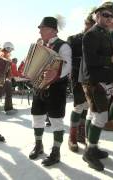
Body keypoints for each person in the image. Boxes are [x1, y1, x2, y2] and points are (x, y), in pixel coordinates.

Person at [79, 1, 113, 171]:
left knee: (93, 115)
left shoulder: (106, 33)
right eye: (105, 14)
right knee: (101, 117)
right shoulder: (91, 34)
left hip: (102, 81)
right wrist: (111, 59)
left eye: (111, 15)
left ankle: (93, 147)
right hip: (94, 81)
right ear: (97, 15)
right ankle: (89, 152)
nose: (109, 18)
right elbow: (90, 61)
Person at [28, 16, 72, 166]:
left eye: (43, 28)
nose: (40, 31)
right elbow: (31, 62)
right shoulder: (39, 44)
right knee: (37, 117)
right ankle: (38, 145)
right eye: (40, 29)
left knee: (56, 120)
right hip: (38, 87)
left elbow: (68, 66)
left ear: (53, 30)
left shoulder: (63, 46)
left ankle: (56, 151)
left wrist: (56, 74)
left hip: (56, 89)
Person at [66, 10, 96, 152]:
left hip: (91, 77)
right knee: (78, 105)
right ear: (85, 23)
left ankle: (81, 132)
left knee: (87, 105)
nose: (90, 27)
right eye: (89, 24)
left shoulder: (96, 39)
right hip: (77, 77)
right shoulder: (73, 39)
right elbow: (66, 61)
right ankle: (72, 136)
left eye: (93, 25)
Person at [0, 42, 18, 115]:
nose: (11, 50)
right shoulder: (2, 54)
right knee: (3, 93)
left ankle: (8, 108)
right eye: (11, 49)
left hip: (4, 77)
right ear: (7, 48)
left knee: (3, 93)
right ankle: (8, 109)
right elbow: (2, 62)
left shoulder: (5, 54)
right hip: (2, 77)